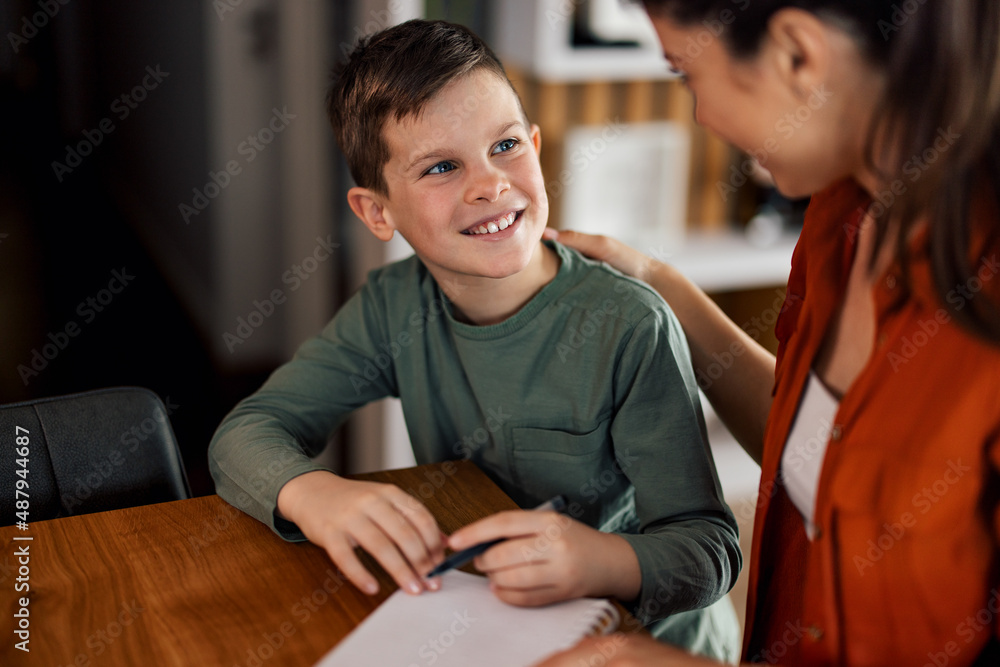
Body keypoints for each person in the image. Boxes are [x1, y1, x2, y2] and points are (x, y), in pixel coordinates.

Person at [208, 19, 743, 660]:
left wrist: (600, 559)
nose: (489, 184)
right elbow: (247, 430)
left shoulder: (630, 325)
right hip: (488, 627)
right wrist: (315, 493)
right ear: (377, 212)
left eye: (506, 146)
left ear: (535, 145)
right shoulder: (392, 307)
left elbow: (709, 551)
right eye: (440, 165)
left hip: (643, 647)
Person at [534, 1, 1000, 665]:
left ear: (797, 56)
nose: (701, 115)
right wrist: (659, 286)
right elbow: (818, 445)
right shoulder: (839, 220)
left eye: (686, 74)